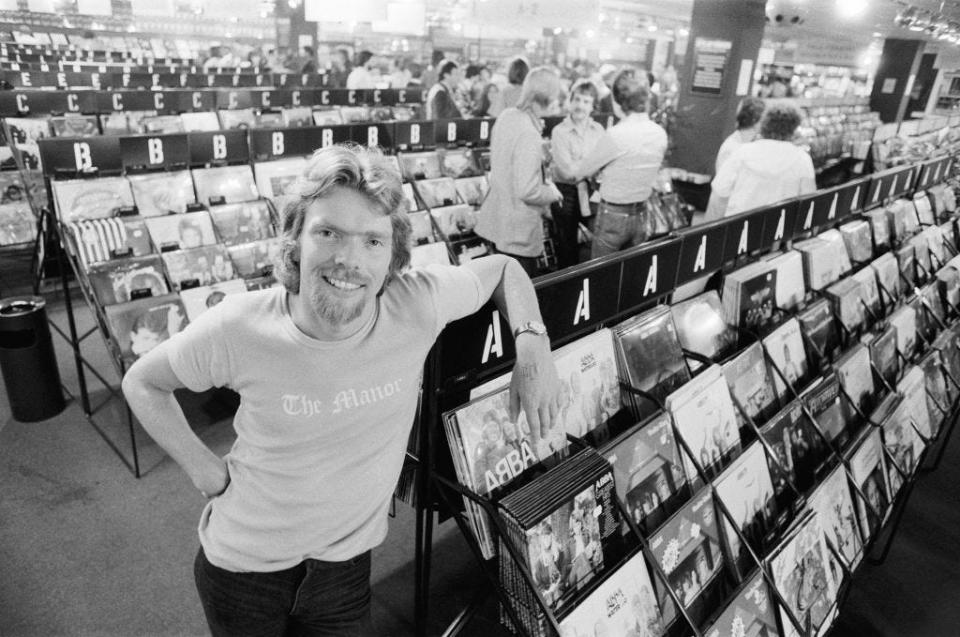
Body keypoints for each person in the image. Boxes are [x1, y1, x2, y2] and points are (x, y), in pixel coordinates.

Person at [121, 144, 562, 636]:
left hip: (346, 572)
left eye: (372, 241)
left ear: (393, 252)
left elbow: (505, 269)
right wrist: (206, 473)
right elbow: (142, 382)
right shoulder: (239, 327)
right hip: (242, 572)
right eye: (328, 232)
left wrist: (533, 348)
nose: (348, 261)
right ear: (295, 238)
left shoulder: (415, 304)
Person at [474, 67, 563, 278]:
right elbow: (528, 191)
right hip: (518, 234)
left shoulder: (507, 116)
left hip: (498, 223)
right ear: (549, 97)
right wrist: (552, 193)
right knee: (519, 300)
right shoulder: (529, 133)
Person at [568, 70, 668, 258]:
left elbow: (582, 171)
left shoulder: (616, 135)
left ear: (617, 101)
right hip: (642, 214)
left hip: (613, 216)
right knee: (630, 274)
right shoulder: (659, 133)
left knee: (602, 275)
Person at [707, 100, 816, 218]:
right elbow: (808, 201)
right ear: (794, 129)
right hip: (779, 228)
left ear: (764, 124)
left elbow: (719, 194)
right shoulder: (802, 158)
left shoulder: (742, 152)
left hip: (739, 225)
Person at [550, 80, 604, 268]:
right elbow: (566, 171)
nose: (580, 105)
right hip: (565, 194)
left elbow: (603, 162)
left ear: (593, 106)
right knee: (567, 247)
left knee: (599, 241)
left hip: (592, 192)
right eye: (577, 99)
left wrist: (583, 166)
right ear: (570, 101)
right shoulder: (560, 132)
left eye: (586, 102)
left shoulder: (598, 130)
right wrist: (591, 166)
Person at [716, 97, 765, 173]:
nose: (766, 123)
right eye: (763, 119)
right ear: (754, 120)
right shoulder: (731, 148)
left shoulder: (755, 140)